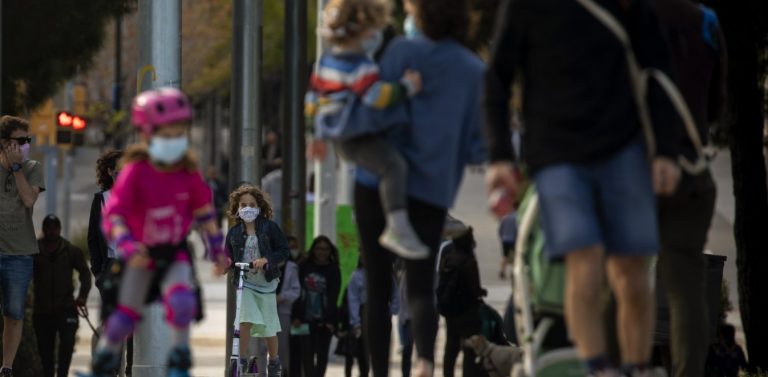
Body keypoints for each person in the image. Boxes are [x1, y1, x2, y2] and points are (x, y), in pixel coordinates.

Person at [484, 0, 682, 375]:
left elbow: (658, 69)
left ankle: (636, 367)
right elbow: (497, 77)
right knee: (585, 260)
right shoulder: (526, 8)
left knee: (632, 273)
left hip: (623, 149)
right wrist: (498, 156)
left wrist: (667, 152)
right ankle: (596, 369)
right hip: (557, 155)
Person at [352, 0, 486, 375]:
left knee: (378, 286)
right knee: (421, 283)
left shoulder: (400, 52)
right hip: (430, 188)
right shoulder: (473, 69)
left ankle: (379, 371)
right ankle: (425, 360)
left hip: (374, 182)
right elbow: (478, 146)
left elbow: (376, 109)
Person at [88, 87, 230, 377]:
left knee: (181, 302)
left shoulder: (187, 173)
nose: (173, 141)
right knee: (124, 316)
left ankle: (179, 361)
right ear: (147, 134)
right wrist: (125, 244)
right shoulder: (135, 173)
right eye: (166, 134)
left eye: (179, 134)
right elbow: (113, 216)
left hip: (173, 251)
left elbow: (205, 214)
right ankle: (103, 362)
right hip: (140, 252)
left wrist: (217, 249)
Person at [305, 0, 429, 260]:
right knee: (394, 166)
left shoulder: (325, 63)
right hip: (357, 137)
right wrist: (406, 87)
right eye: (372, 30)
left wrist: (317, 136)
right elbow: (377, 96)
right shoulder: (360, 66)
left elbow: (313, 101)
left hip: (339, 137)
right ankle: (398, 224)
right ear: (360, 33)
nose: (376, 36)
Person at [651, 2, 726, 376]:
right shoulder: (707, 22)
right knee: (686, 289)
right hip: (691, 171)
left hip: (638, 169)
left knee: (619, 275)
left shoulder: (625, 17)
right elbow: (714, 108)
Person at [225, 184, 290, 376]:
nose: (247, 208)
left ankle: (274, 361)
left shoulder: (270, 228)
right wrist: (225, 264)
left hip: (267, 283)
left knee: (269, 325)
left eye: (252, 204)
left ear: (259, 207)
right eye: (243, 204)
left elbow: (283, 250)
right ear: (237, 208)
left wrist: (267, 260)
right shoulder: (234, 233)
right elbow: (227, 255)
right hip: (246, 282)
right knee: (244, 319)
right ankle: (241, 358)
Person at [0, 115, 45, 377]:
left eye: (27, 140)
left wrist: (17, 169)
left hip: (19, 254)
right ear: (5, 143)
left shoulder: (32, 167)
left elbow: (28, 200)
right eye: (21, 140)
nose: (26, 144)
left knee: (14, 314)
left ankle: (6, 367)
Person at [87, 149, 133, 377]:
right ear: (109, 172)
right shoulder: (101, 200)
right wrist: (97, 272)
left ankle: (130, 369)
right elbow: (93, 240)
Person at [33, 214, 92, 377]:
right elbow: (24, 276)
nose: (52, 232)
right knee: (45, 354)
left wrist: (82, 297)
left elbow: (85, 273)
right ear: (43, 230)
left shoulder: (71, 250)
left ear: (59, 229)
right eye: (48, 228)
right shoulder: (35, 251)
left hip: (66, 309)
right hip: (42, 311)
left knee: (67, 347)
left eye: (55, 228)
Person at [437, 227, 486, 377]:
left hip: (451, 311)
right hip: (467, 313)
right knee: (469, 348)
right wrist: (482, 293)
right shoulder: (469, 262)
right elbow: (475, 289)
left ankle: (447, 374)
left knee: (450, 348)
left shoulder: (447, 260)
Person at [294, 236, 341, 377]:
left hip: (325, 321)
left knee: (322, 356)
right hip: (303, 319)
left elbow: (334, 296)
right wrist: (296, 316)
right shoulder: (303, 267)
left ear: (330, 251)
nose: (322, 252)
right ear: (314, 250)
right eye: (319, 248)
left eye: (326, 249)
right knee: (306, 355)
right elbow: (297, 292)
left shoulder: (334, 270)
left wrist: (331, 321)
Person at [344, 259, 370, 377]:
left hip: (379, 314)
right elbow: (353, 299)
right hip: (361, 314)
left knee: (373, 352)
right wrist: (355, 322)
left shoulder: (386, 273)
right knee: (358, 351)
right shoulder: (356, 275)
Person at [497, 210, 517, 279]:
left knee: (505, 256)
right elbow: (517, 229)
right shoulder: (516, 217)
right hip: (513, 240)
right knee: (515, 256)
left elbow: (500, 230)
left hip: (505, 239)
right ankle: (513, 272)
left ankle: (502, 271)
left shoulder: (504, 218)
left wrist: (502, 237)